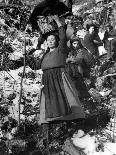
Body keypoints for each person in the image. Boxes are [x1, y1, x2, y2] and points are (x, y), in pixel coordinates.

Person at [26, 16, 85, 125]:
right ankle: (51, 121)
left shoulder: (61, 49)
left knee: (66, 98)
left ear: (57, 41)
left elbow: (62, 36)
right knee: (50, 101)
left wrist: (58, 21)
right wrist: (30, 52)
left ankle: (72, 120)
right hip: (47, 79)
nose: (50, 41)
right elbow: (35, 66)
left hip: (59, 76)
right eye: (48, 40)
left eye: (52, 39)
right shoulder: (45, 54)